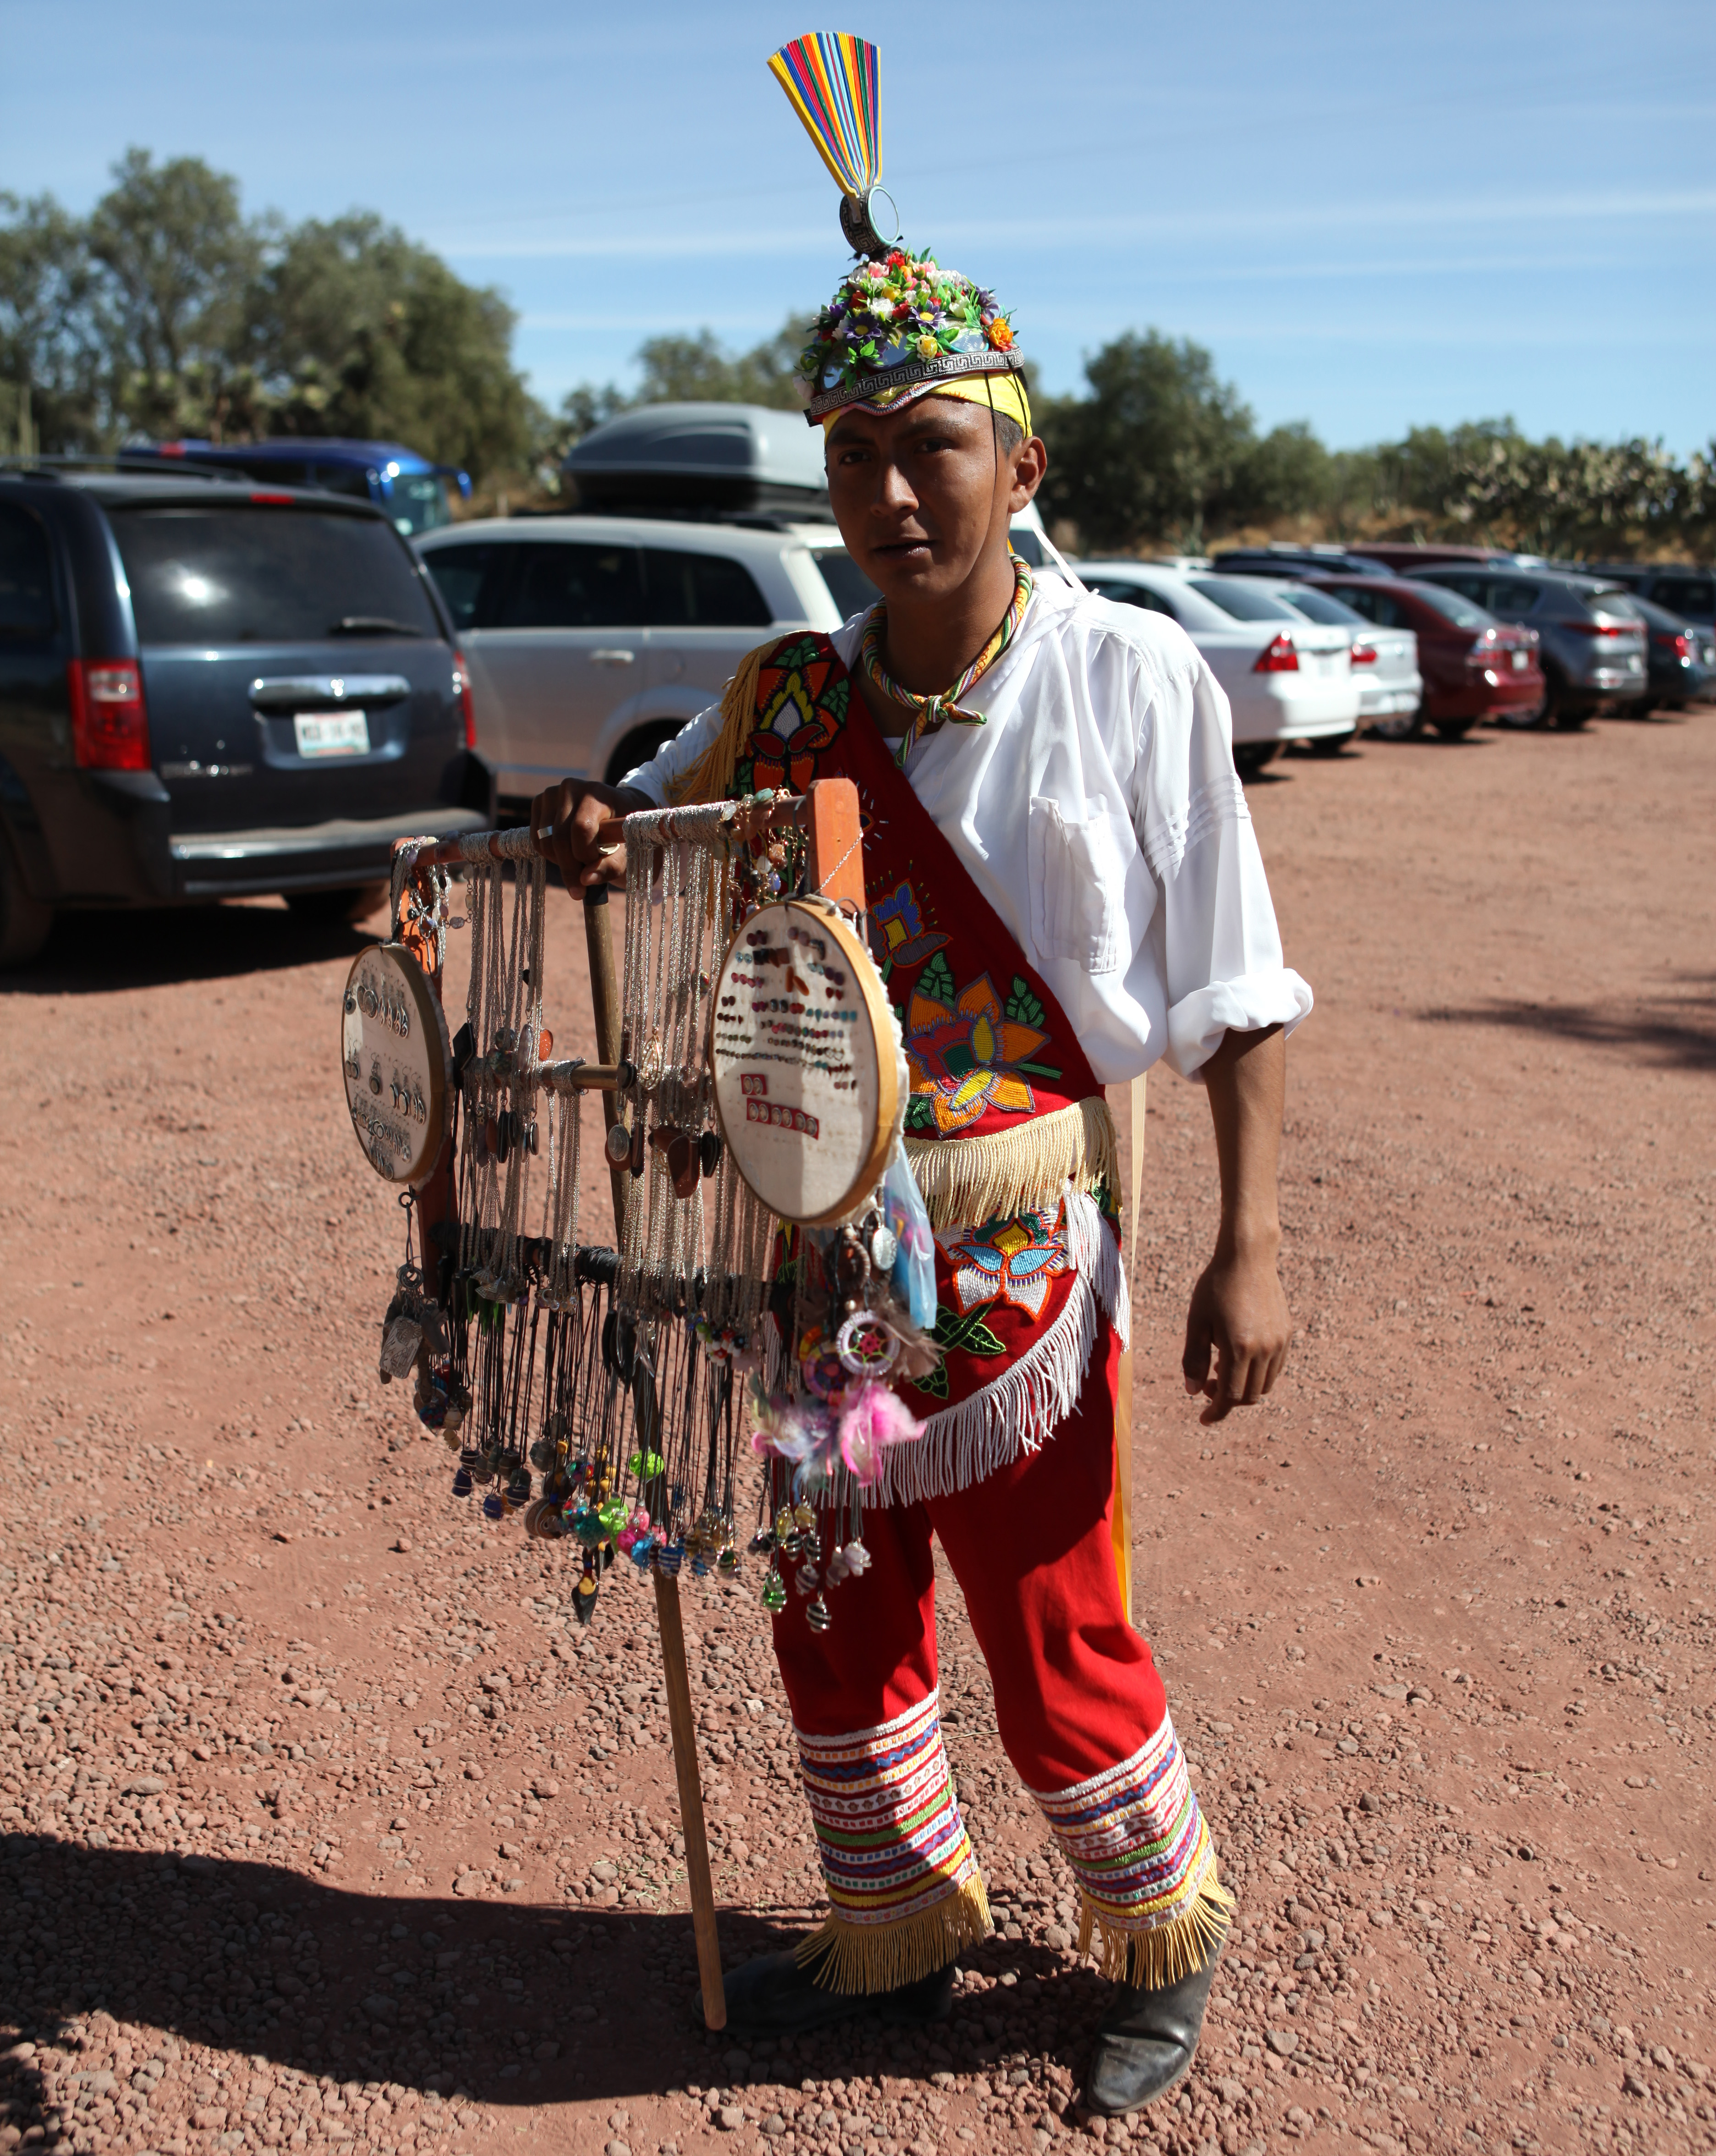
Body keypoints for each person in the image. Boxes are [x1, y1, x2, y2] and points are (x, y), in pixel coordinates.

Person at [532, 244, 1310, 2117]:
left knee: (1050, 1619)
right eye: (855, 452)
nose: (891, 490)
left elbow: (1234, 979)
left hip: (1016, 1248)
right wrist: (594, 832)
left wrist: (1253, 1242)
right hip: (808, 1240)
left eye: (933, 445)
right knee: (833, 1597)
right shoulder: (788, 691)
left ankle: (1158, 1935)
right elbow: (658, 821)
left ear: (1021, 466)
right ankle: (894, 1919)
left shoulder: (1129, 675)